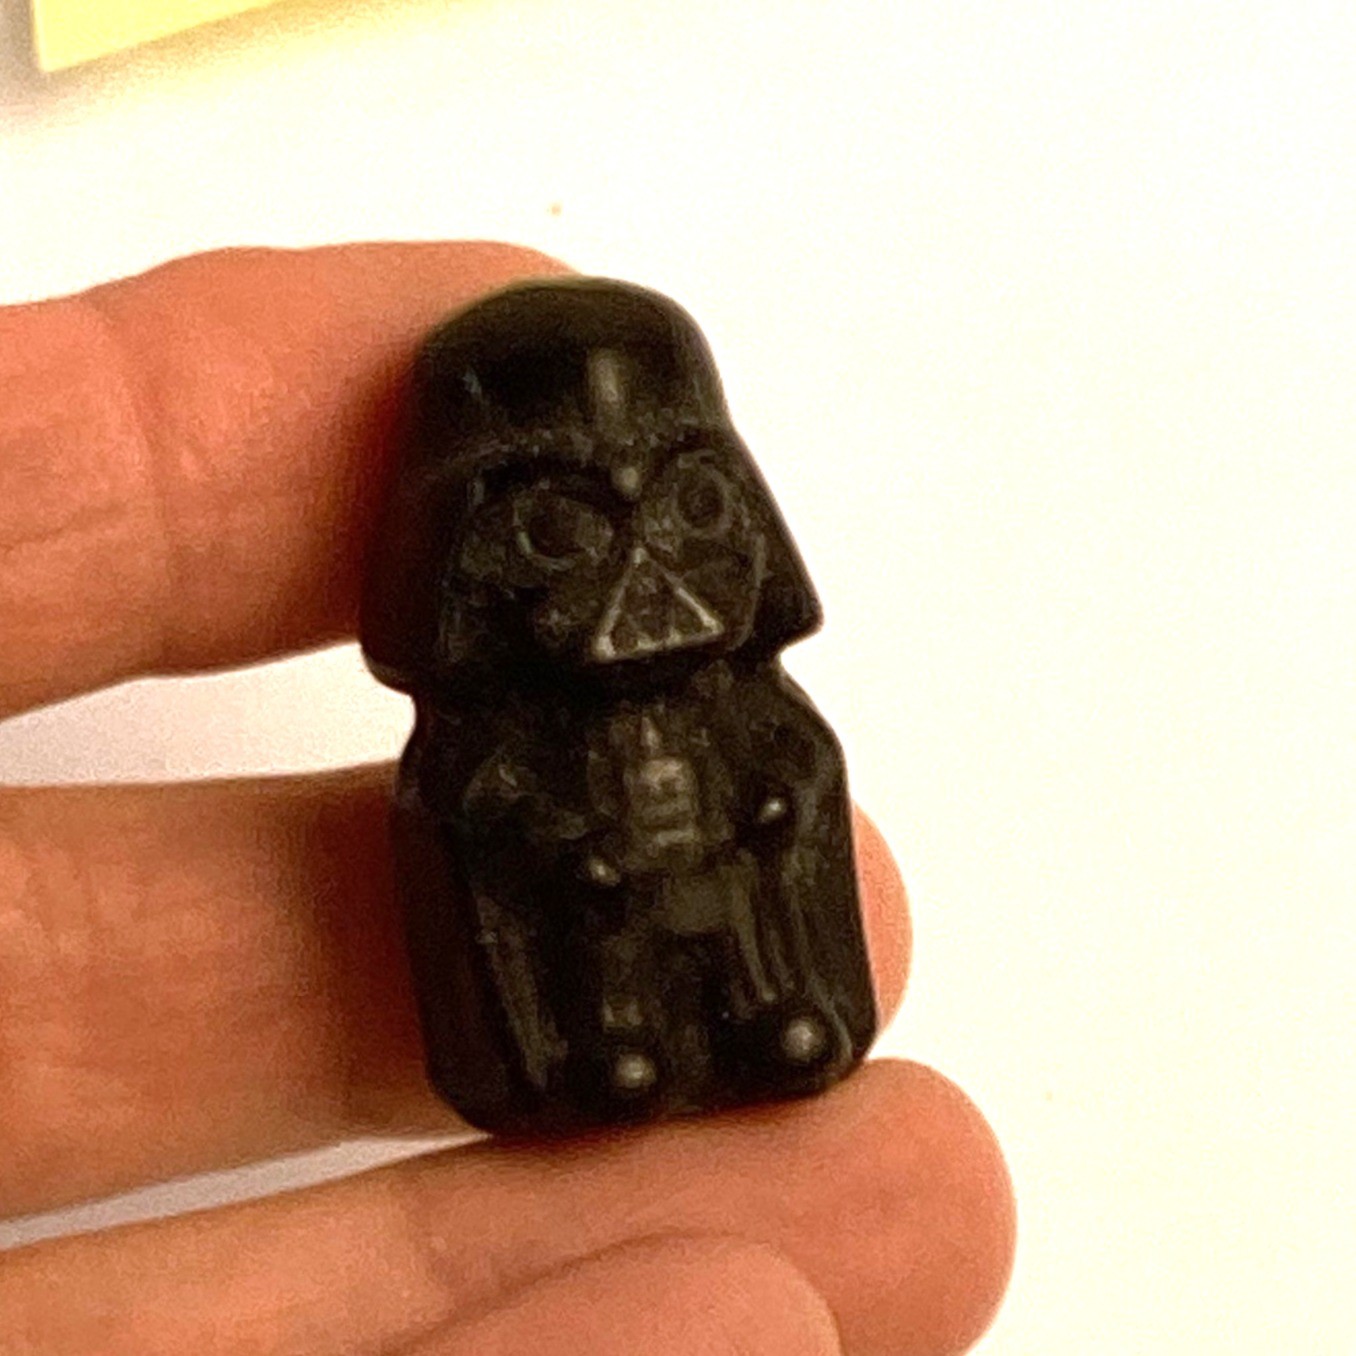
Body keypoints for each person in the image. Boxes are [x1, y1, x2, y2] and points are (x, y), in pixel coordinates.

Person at [0, 243, 1013, 1355]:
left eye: (687, 509)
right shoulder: (489, 743)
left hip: (728, 898)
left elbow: (798, 769)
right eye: (561, 533)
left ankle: (767, 1010)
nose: (640, 576)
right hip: (588, 931)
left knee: (754, 935)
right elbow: (480, 823)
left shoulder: (742, 702)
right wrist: (557, 851)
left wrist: (775, 807)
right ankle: (600, 1048)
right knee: (589, 943)